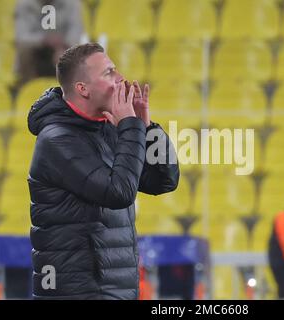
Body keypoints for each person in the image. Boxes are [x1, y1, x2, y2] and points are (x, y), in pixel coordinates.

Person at [27, 43, 179, 299]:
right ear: (82, 89)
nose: (120, 79)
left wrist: (147, 126)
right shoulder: (57, 139)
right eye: (109, 73)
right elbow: (118, 193)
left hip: (114, 288)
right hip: (78, 292)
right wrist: (130, 127)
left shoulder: (108, 127)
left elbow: (164, 181)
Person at [15, 0, 84, 85]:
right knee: (24, 50)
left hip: (62, 48)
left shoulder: (72, 3)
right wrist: (44, 39)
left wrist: (64, 48)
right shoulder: (25, 4)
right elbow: (22, 37)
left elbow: (76, 33)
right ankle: (26, 87)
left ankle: (67, 90)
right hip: (36, 50)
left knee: (75, 55)